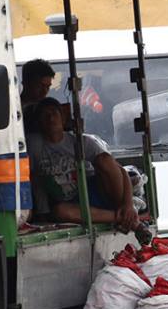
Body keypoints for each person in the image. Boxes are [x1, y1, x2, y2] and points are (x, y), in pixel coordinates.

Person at [27, 97, 138, 231]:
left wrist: (128, 204)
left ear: (63, 118)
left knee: (104, 159)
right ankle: (123, 219)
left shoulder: (82, 142)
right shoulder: (35, 147)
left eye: (54, 113)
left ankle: (125, 213)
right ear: (39, 122)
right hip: (71, 203)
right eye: (45, 115)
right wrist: (42, 213)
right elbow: (36, 181)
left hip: (96, 191)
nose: (50, 118)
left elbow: (119, 170)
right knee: (59, 211)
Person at [20, 59, 55, 132]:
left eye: (48, 87)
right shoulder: (13, 111)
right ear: (26, 83)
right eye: (40, 86)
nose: (45, 91)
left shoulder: (49, 110)